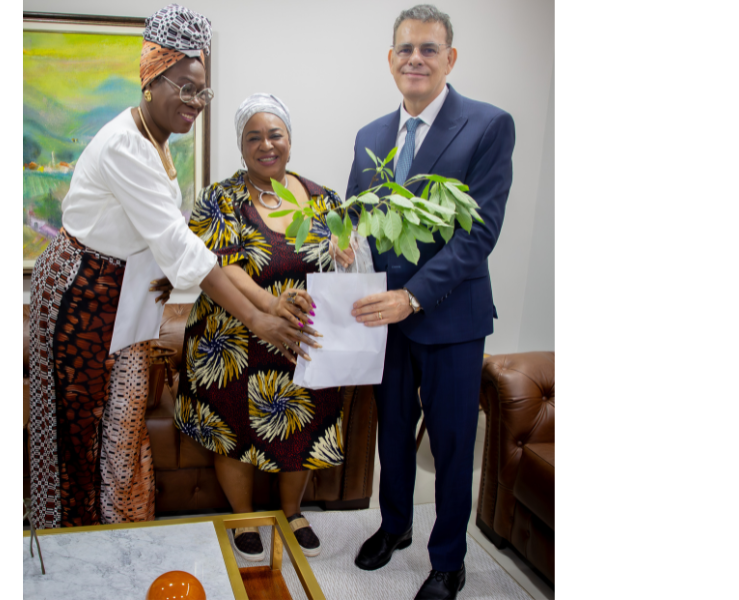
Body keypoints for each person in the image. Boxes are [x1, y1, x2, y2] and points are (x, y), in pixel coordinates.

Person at [29, 5, 316, 530]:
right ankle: (78, 549)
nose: (194, 102)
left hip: (126, 295)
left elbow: (180, 245)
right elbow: (181, 247)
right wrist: (259, 319)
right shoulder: (124, 145)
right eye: (184, 88)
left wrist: (268, 303)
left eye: (202, 92)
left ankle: (123, 536)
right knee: (80, 435)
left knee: (124, 430)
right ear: (149, 79)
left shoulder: (158, 143)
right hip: (80, 294)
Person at [341, 6, 515, 599]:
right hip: (383, 323)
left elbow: (479, 235)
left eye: (429, 49)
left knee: (451, 444)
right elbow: (356, 218)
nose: (415, 59)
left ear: (450, 58)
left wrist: (411, 298)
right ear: (391, 59)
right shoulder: (370, 135)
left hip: (451, 319)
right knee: (391, 434)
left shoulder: (488, 126)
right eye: (406, 49)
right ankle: (395, 527)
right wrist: (343, 243)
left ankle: (449, 560)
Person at [175, 93, 345, 561]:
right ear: (241, 145)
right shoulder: (220, 198)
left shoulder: (325, 200)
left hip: (301, 341)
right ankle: (245, 516)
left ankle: (292, 512)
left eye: (275, 135)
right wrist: (270, 305)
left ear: (289, 139)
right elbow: (220, 266)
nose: (266, 145)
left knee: (303, 425)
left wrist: (349, 254)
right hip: (231, 339)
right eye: (253, 137)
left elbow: (342, 267)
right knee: (231, 431)